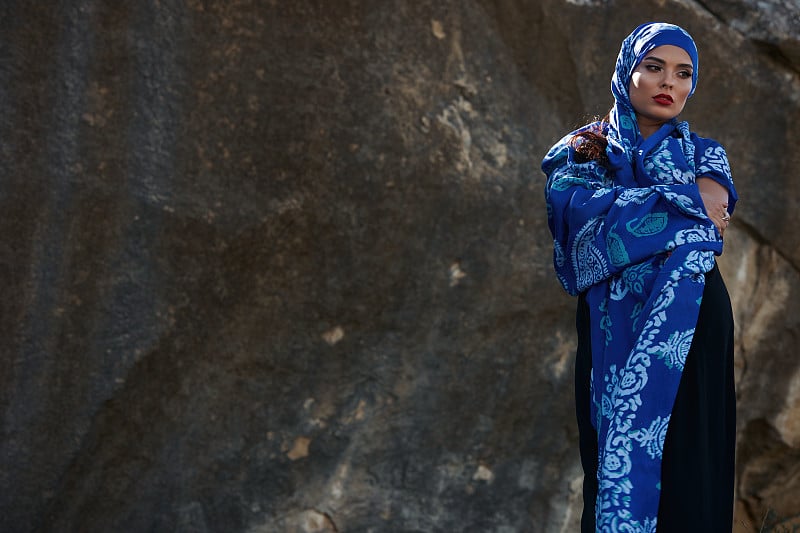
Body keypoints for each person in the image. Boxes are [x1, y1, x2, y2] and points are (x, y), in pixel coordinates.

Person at [541, 22, 738, 532]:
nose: (668, 82)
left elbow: (709, 216)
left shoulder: (706, 154)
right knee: (609, 459)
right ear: (626, 73)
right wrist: (683, 204)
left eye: (683, 72)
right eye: (653, 67)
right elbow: (583, 232)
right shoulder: (581, 152)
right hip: (613, 329)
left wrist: (638, 215)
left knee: (694, 461)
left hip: (692, 320)